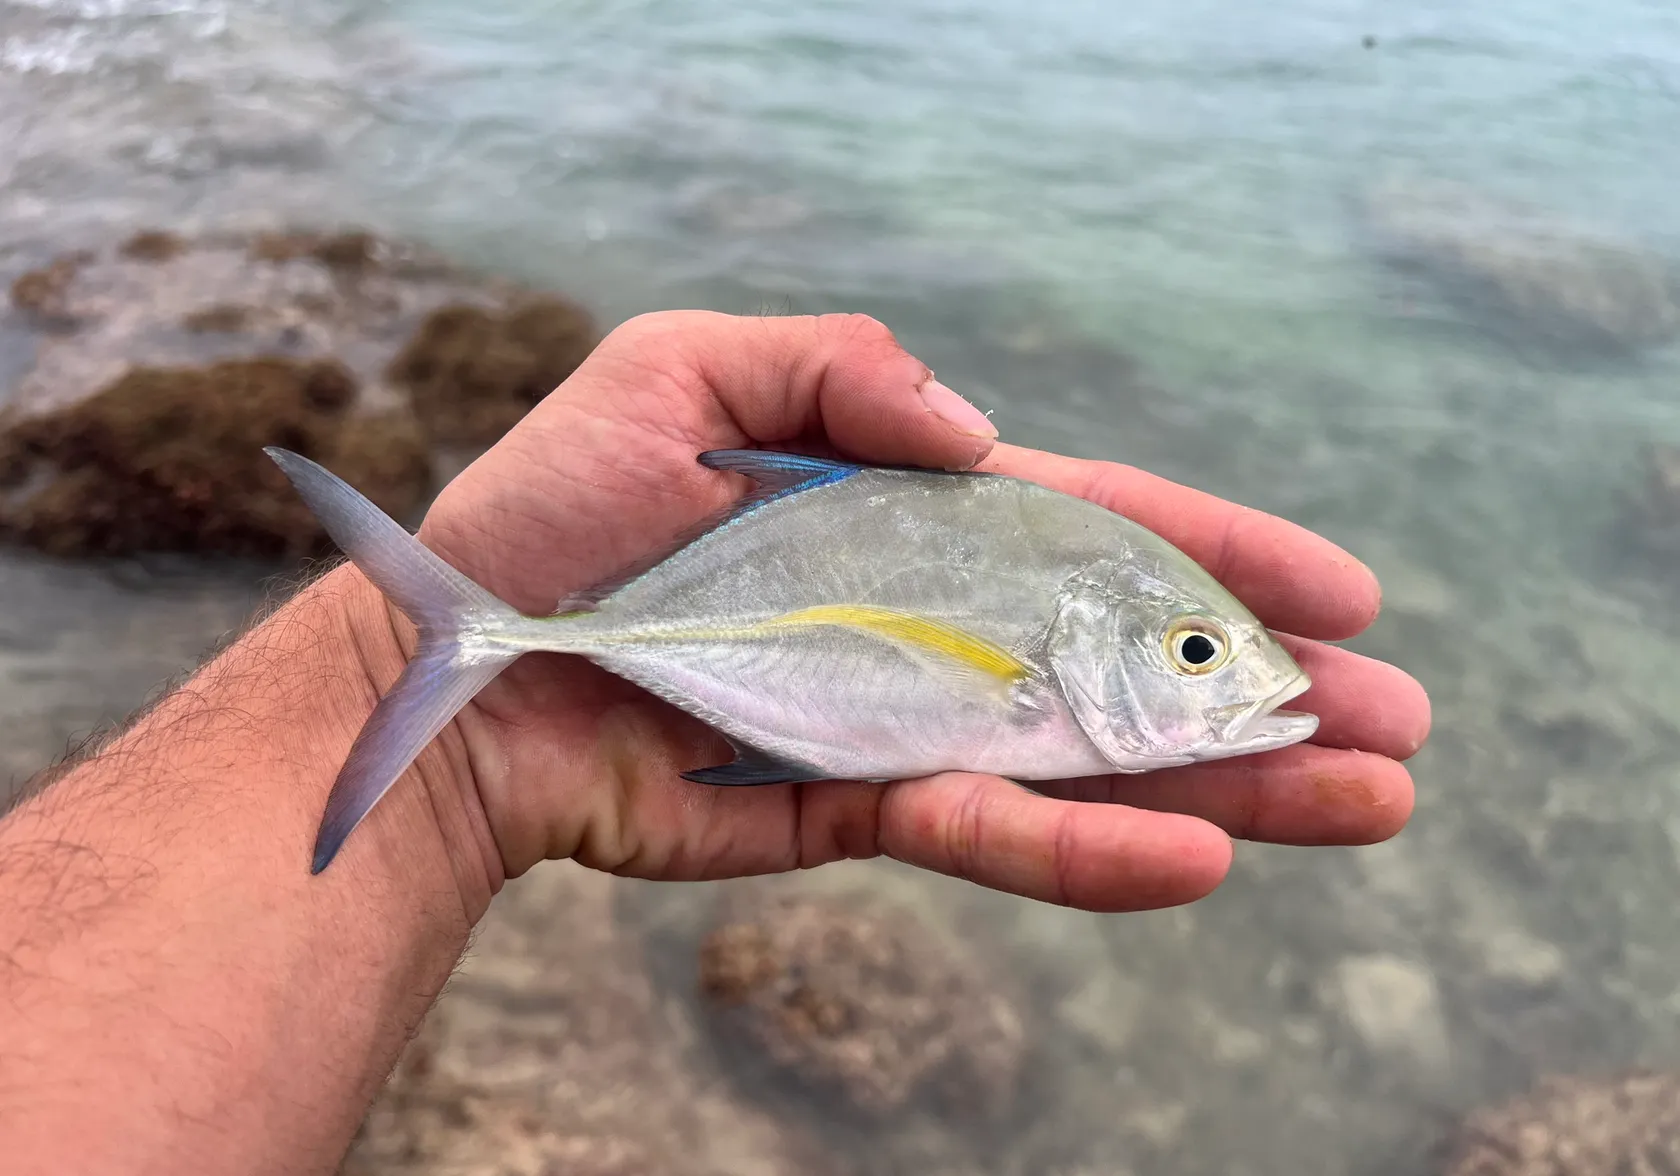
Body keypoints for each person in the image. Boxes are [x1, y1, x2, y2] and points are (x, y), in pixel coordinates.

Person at [0, 310, 1428, 1174]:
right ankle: (454, 634)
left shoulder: (1065, 624)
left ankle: (454, 636)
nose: (1220, 677)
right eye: (1195, 650)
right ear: (1101, 634)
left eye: (1202, 655)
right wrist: (402, 656)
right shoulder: (1058, 626)